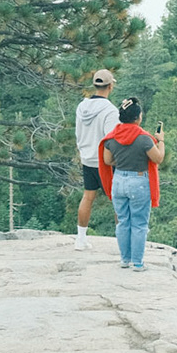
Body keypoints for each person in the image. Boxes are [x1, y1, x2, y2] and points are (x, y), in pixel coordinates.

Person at [97, 97, 163, 271]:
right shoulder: (144, 139)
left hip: (118, 181)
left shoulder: (111, 138)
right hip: (139, 181)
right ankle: (138, 263)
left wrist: (122, 162)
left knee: (123, 222)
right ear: (137, 118)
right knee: (139, 224)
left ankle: (125, 260)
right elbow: (158, 158)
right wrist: (161, 141)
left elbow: (107, 161)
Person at [73, 69, 120, 249]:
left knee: (88, 197)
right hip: (105, 161)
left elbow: (78, 132)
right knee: (118, 200)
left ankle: (81, 239)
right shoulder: (110, 111)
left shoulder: (81, 107)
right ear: (110, 86)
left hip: (87, 158)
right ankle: (121, 241)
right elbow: (111, 139)